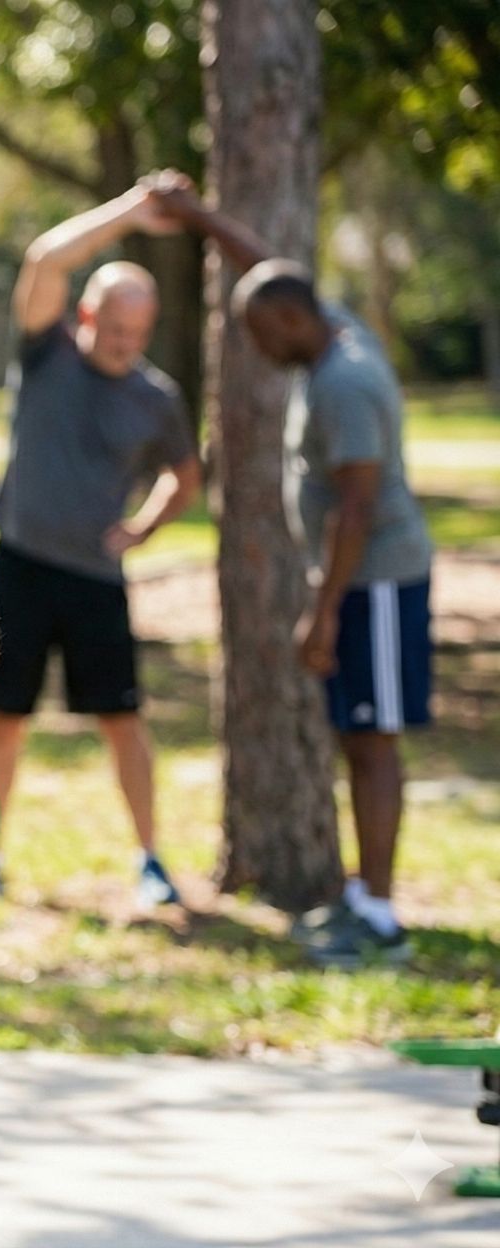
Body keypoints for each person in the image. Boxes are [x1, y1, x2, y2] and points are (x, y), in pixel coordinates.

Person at [154, 187, 430, 966]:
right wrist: (202, 219)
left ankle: (378, 916)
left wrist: (324, 610)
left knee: (373, 744)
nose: (256, 348)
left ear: (287, 324)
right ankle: (363, 897)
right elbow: (269, 273)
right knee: (356, 737)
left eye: (256, 334)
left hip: (374, 584)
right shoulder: (332, 329)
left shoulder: (345, 381)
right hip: (362, 585)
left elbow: (356, 508)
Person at [0, 175, 204, 908]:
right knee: (5, 719)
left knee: (122, 720)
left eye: (139, 333)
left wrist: (144, 526)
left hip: (96, 578)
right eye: (115, 329)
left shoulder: (155, 397)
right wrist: (135, 212)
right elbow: (44, 258)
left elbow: (185, 474)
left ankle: (150, 860)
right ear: (86, 313)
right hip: (22, 563)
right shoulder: (48, 353)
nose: (126, 344)